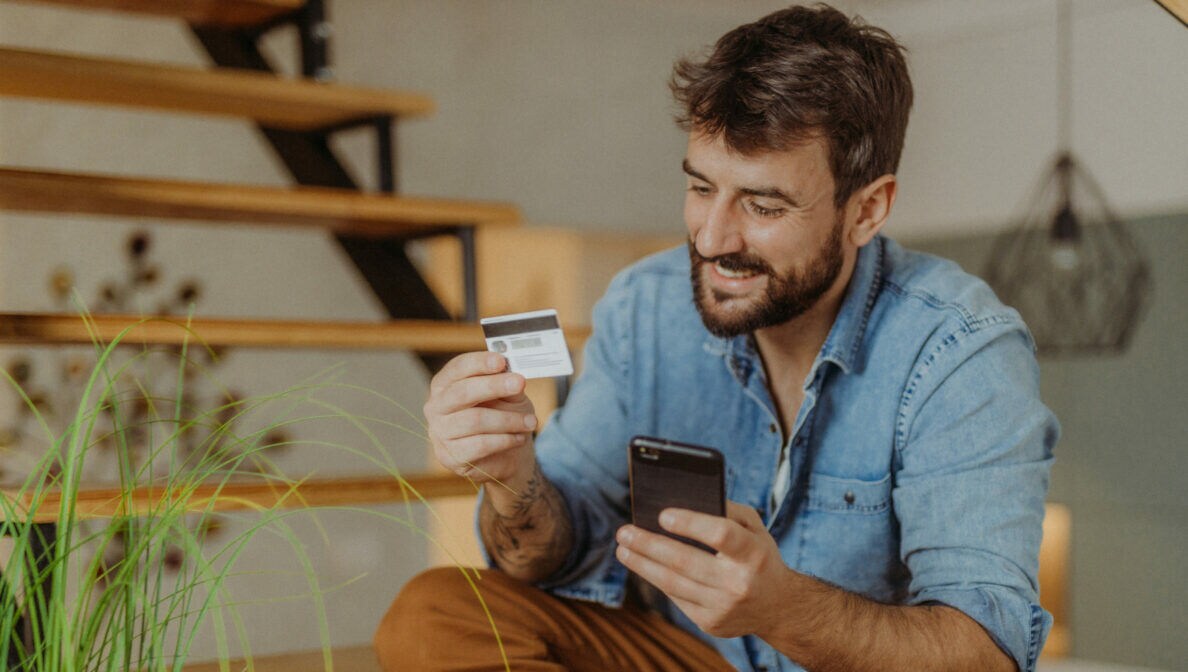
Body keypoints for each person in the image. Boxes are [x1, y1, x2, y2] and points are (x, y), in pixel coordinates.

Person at [375, 4, 1057, 671]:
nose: (710, 239)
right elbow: (552, 553)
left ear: (866, 210)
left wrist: (782, 608)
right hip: (690, 655)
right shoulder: (646, 307)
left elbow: (986, 652)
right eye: (702, 189)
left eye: (762, 205)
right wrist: (512, 479)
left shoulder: (960, 350)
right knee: (435, 615)